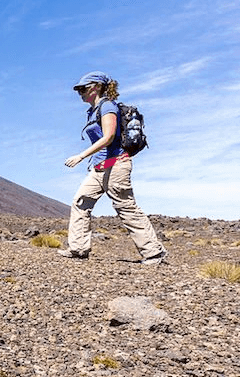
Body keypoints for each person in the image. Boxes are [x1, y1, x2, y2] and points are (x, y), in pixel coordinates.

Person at [59, 71, 167, 265]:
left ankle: (153, 252)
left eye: (83, 88)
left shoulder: (107, 106)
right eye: (78, 90)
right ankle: (78, 249)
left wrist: (81, 156)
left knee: (125, 206)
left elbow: (108, 137)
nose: (80, 93)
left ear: (97, 87)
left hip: (116, 164)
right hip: (99, 167)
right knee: (80, 202)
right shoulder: (92, 111)